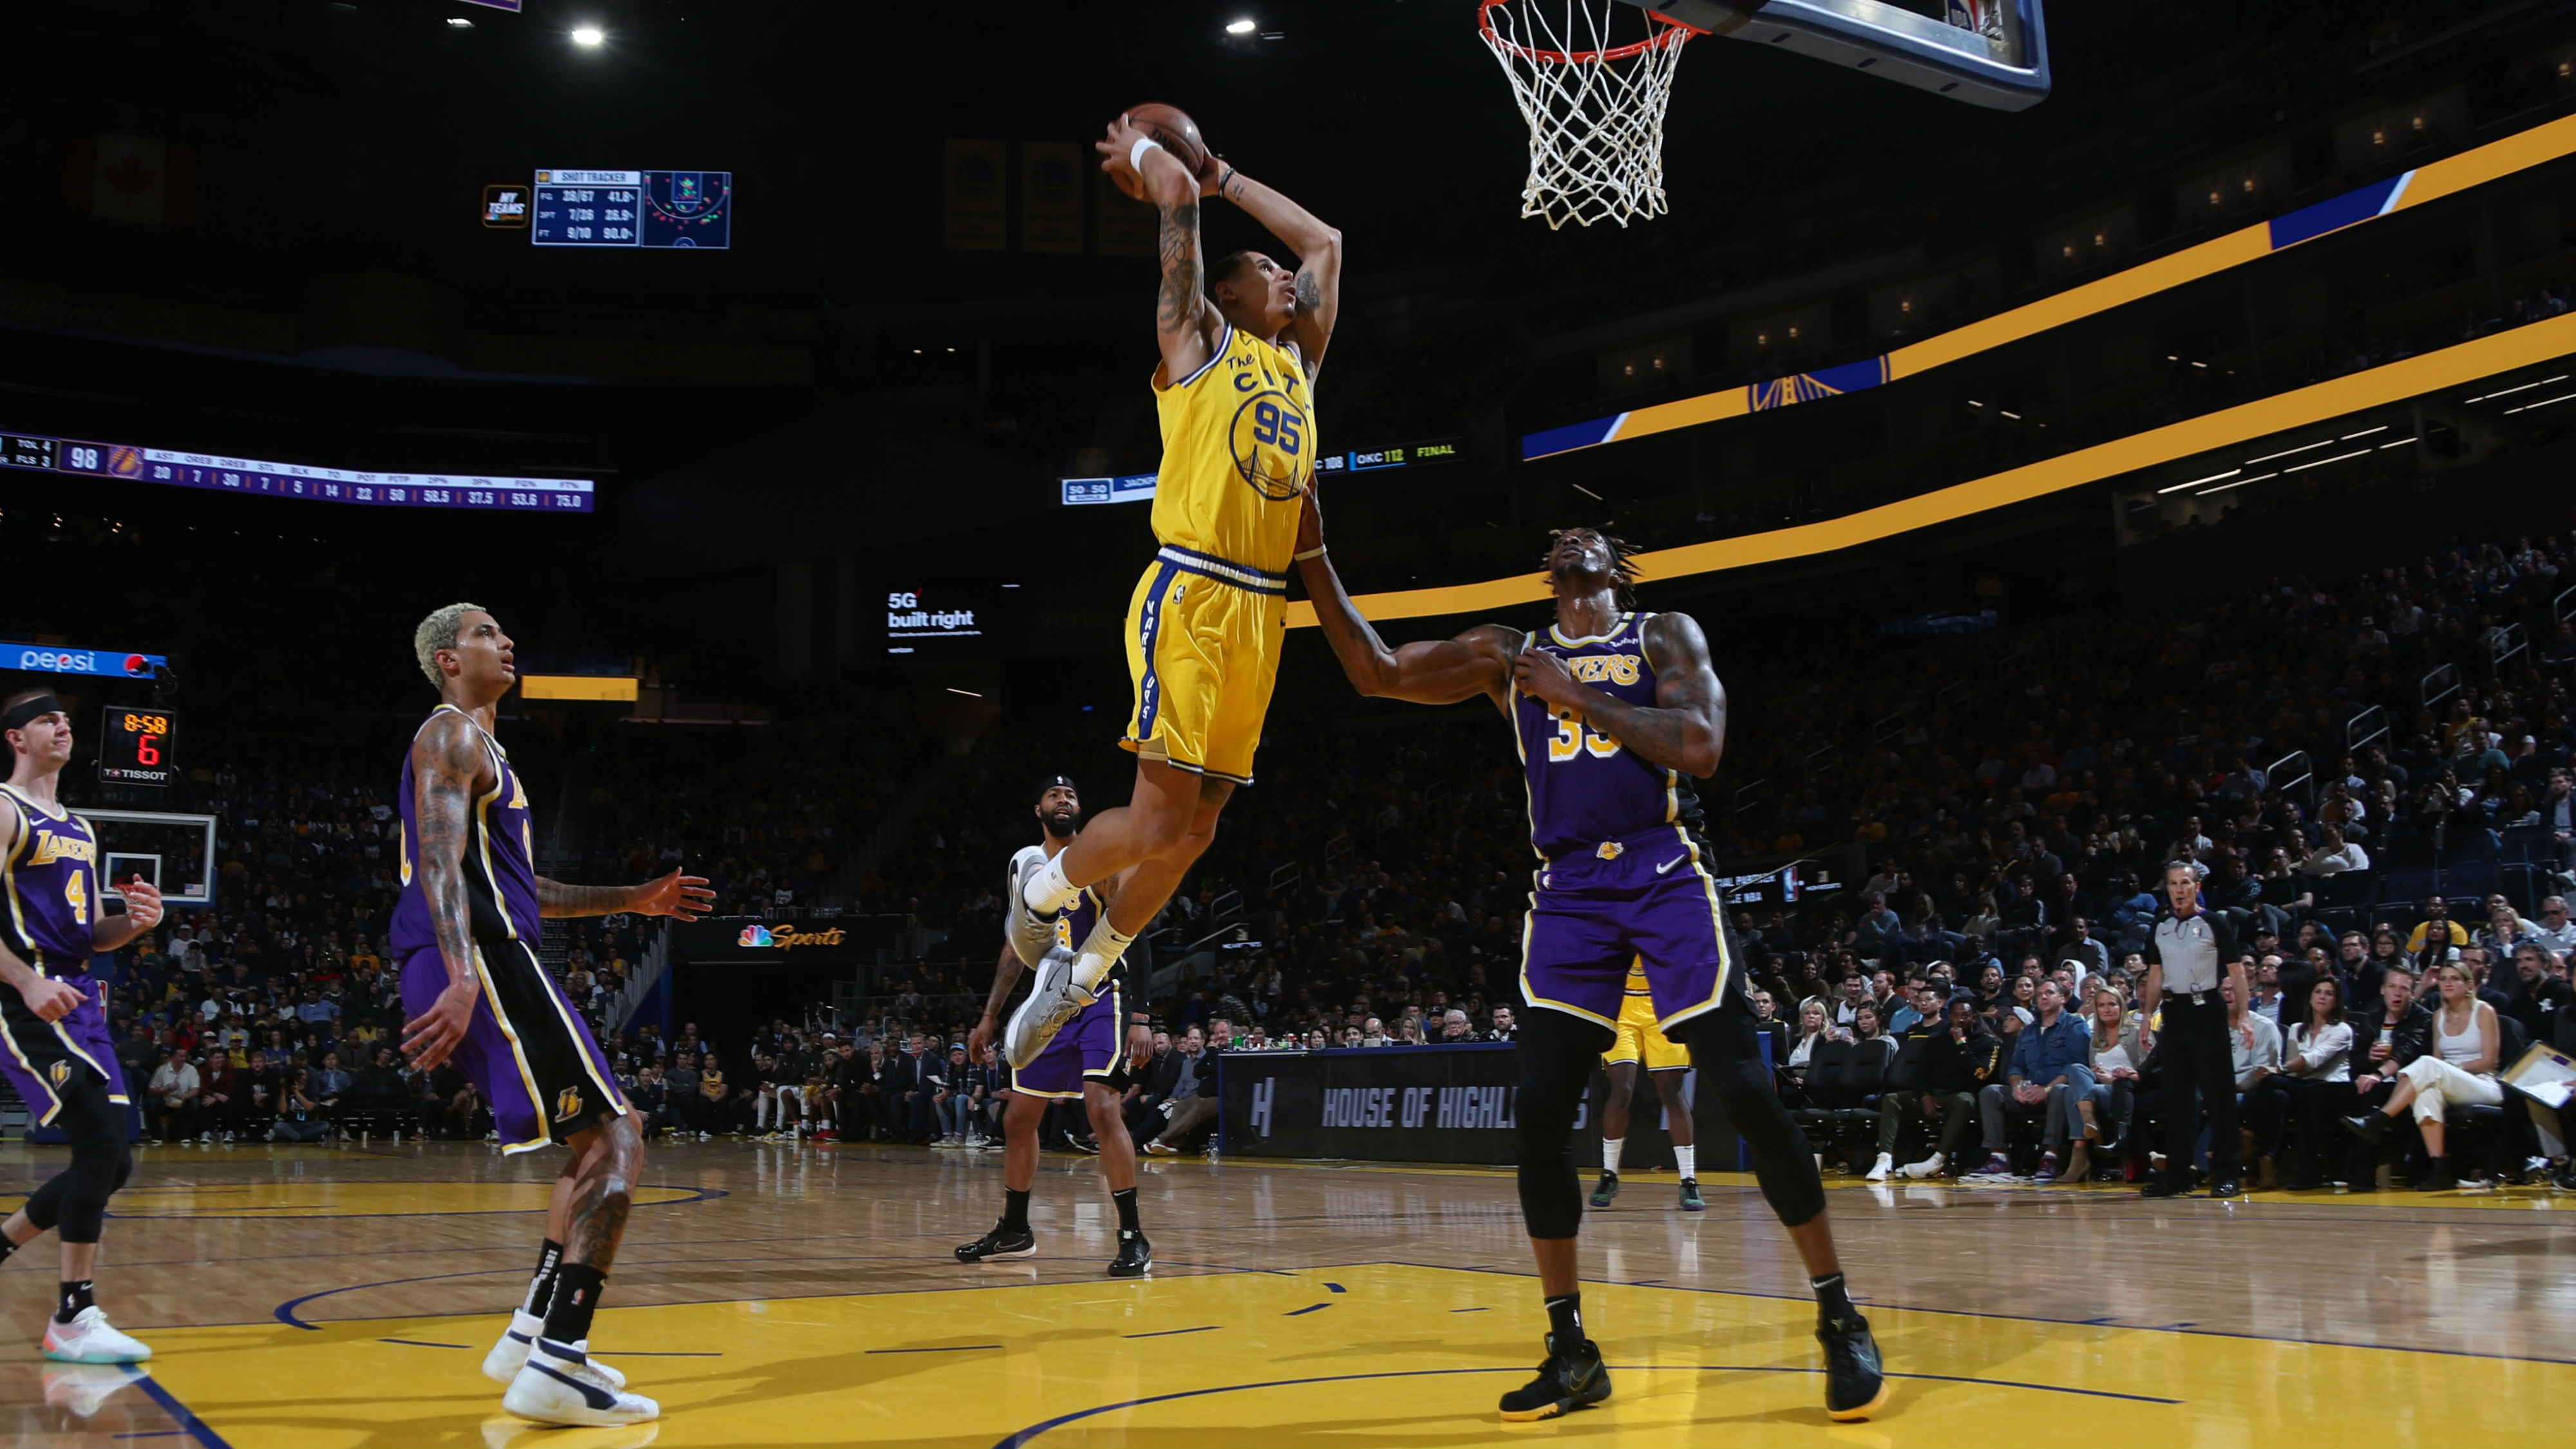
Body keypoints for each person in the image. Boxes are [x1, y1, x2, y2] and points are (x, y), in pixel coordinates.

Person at [1294, 519, 1886, 1422]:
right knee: (1536, 1111)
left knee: (1745, 1087)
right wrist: (1313, 556)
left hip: (1661, 869)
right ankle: (1571, 1349)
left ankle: (1839, 1313)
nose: (1573, 540)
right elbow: (1377, 670)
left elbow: (1701, 746)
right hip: (1569, 889)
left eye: (1591, 533)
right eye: (1559, 536)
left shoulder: (1661, 634)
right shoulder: (1508, 652)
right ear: (1549, 570)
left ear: (1617, 563)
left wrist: (1575, 697)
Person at [1001, 116, 1347, 1072]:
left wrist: (1230, 168)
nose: (1288, 275)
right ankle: (1040, 892)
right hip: (1190, 593)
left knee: (1195, 833)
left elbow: (1328, 244)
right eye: (1264, 272)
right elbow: (1181, 218)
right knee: (1157, 820)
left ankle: (1086, 969)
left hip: (1261, 612)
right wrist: (1166, 162)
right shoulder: (1197, 340)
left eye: (1287, 277)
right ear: (1226, 293)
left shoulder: (1299, 370)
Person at [396, 603, 713, 1427]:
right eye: (484, 633)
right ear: (445, 658)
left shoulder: (489, 751)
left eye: (504, 632)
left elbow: (525, 891)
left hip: (486, 950)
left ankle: (535, 1329)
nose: (505, 642)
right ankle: (558, 1361)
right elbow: (437, 862)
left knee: (598, 1138)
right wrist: (465, 974)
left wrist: (635, 898)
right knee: (620, 1137)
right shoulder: (450, 735)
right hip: (484, 958)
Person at [0, 688, 165, 1363]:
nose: (63, 725)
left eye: (65, 718)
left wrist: (136, 923)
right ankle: (73, 1313)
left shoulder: (78, 825)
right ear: (16, 738)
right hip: (25, 997)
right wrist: (27, 980)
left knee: (114, 1159)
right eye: (47, 719)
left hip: (80, 999)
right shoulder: (4, 809)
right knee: (99, 1147)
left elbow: (90, 935)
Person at [958, 777, 1155, 1278]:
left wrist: (1142, 1017)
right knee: (1018, 1118)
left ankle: (1133, 1235)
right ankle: (1016, 1230)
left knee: (1102, 1107)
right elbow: (1014, 948)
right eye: (1053, 795)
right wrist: (989, 1015)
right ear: (1038, 808)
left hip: (1100, 995)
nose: (1063, 799)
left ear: (1080, 809)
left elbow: (1135, 927)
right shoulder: (1029, 869)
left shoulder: (1099, 861)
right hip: (1048, 1001)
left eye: (1070, 795)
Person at [2139, 861, 2250, 1198]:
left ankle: (2227, 1172)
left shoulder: (2215, 922)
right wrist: (2146, 1014)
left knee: (2219, 1097)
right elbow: (2156, 975)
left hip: (2208, 1012)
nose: (2179, 889)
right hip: (2174, 1014)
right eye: (2173, 884)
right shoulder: (2159, 926)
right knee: (2176, 1099)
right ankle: (2177, 1175)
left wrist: (2243, 1015)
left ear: (2197, 887)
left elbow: (2236, 971)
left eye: (2185, 882)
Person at [2341, 961, 2503, 1190]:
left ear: (2468, 984)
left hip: (2484, 1084)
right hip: (2449, 1081)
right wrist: (2444, 1070)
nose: (2448, 983)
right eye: (2444, 979)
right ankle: (2439, 1169)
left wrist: (2452, 1069)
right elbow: (2437, 1061)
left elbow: (2490, 1061)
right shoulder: (2438, 1016)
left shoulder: (2484, 1010)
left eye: (2455, 978)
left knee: (2428, 1065)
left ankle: (2379, 1120)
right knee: (2425, 1094)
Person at [1589, 960, 1704, 1212]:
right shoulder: (1611, 924)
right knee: (1622, 1090)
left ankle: (1688, 1180)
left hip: (1663, 1007)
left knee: (1673, 1094)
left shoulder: (1669, 923)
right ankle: (1609, 1175)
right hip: (1620, 1009)